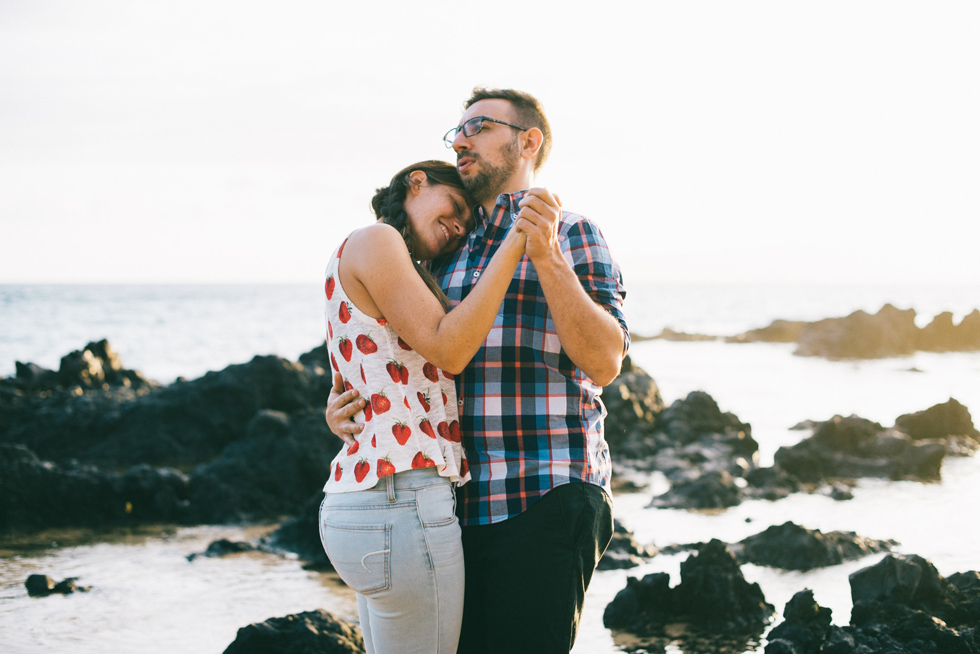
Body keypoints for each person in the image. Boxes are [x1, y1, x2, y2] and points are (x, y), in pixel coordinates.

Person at [326, 89, 629, 653]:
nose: (460, 140)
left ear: (528, 141)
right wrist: (344, 400)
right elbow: (401, 353)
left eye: (479, 126)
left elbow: (606, 360)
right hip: (450, 507)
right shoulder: (443, 248)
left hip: (545, 488)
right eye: (455, 132)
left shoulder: (573, 232)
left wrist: (547, 258)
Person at [318, 159, 554, 654]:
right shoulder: (377, 239)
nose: (459, 226)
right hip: (401, 498)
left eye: (467, 223)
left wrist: (333, 410)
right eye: (454, 207)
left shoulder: (393, 262)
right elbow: (448, 348)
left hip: (367, 498)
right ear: (416, 182)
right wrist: (515, 242)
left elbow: (369, 365)